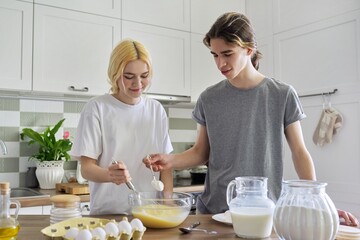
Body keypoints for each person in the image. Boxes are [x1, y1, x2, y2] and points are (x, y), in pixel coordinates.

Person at [144, 12, 359, 226]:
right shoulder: (208, 98)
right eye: (215, 55)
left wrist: (317, 201)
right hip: (214, 212)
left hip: (264, 214)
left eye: (227, 54)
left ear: (249, 49)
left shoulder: (281, 95)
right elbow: (201, 153)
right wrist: (169, 160)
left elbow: (299, 152)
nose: (220, 64)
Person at [71, 39, 173, 215]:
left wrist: (168, 203)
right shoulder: (97, 108)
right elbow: (86, 169)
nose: (138, 83)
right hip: (109, 214)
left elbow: (167, 167)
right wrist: (110, 175)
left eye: (144, 75)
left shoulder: (156, 110)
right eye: (129, 76)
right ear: (115, 73)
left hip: (151, 214)